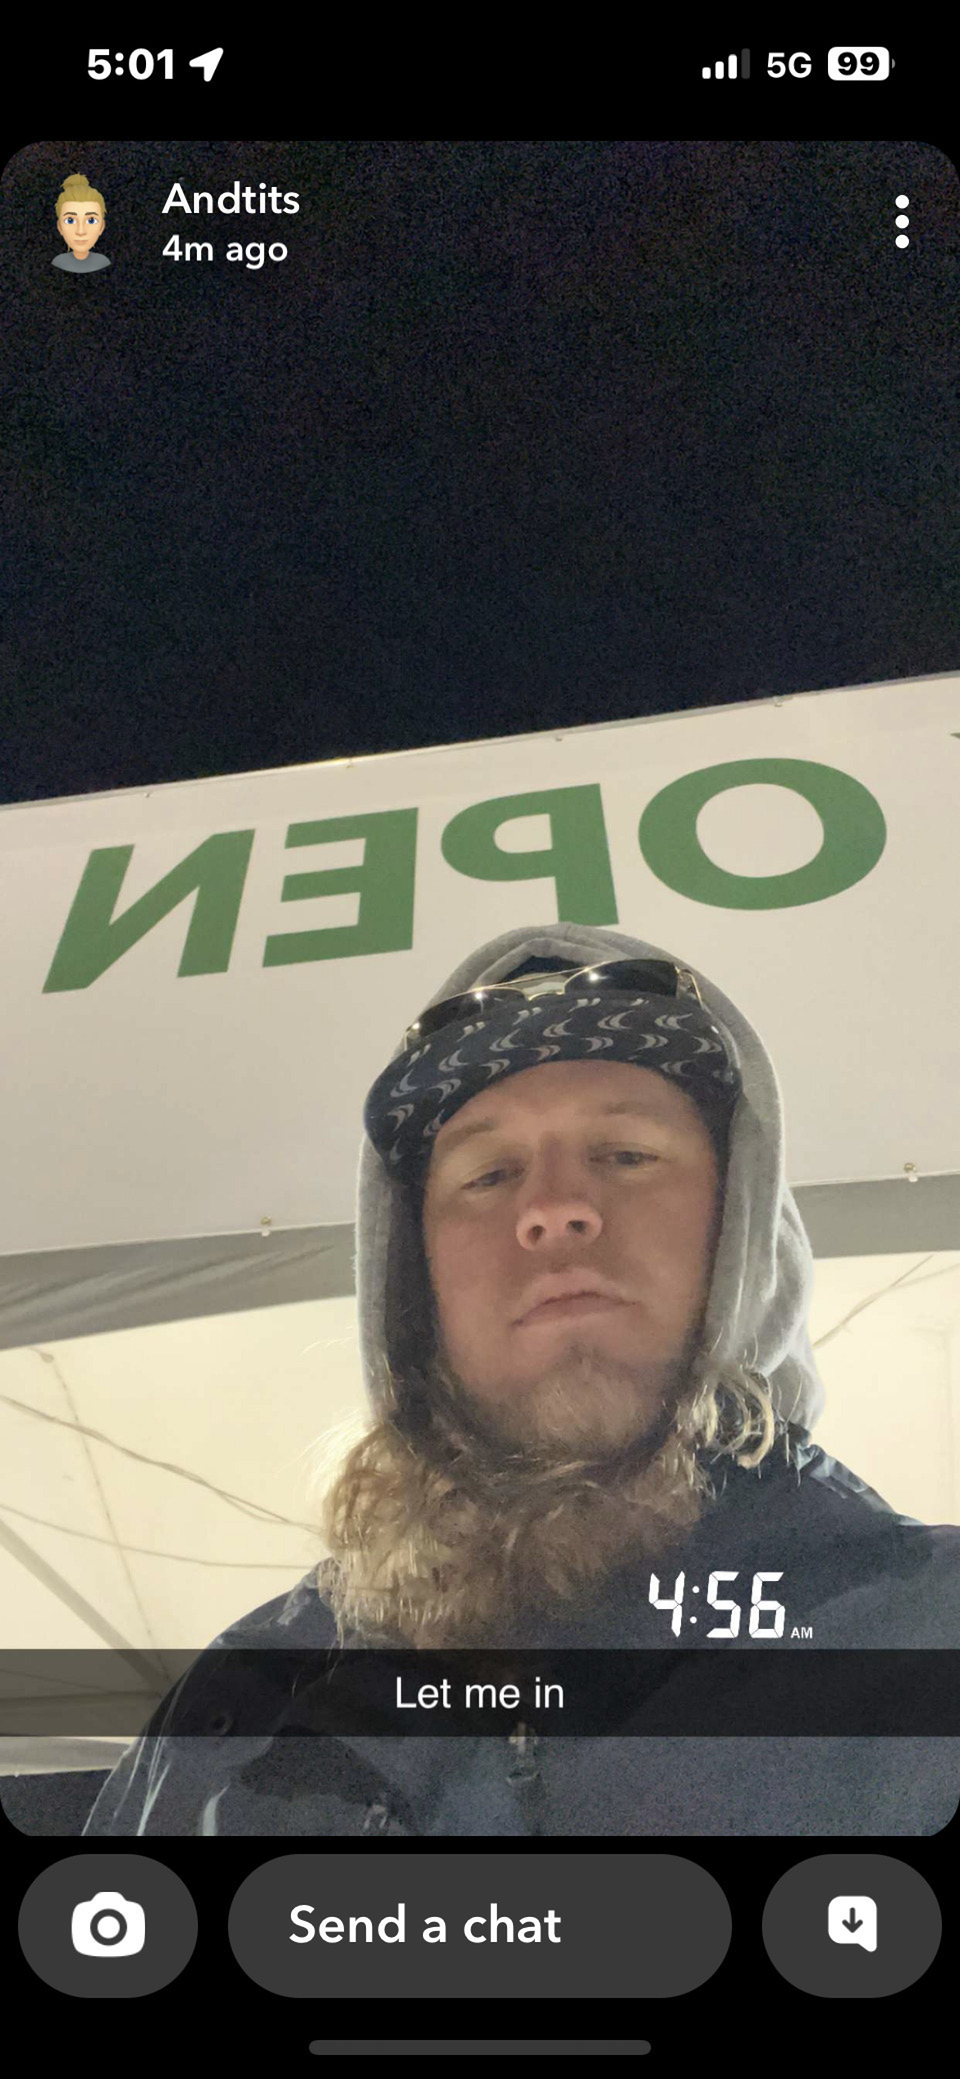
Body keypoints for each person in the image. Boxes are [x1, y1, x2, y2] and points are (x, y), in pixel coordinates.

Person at [81, 922, 960, 1836]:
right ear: (413, 1281)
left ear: (743, 1229)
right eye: (490, 1173)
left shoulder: (929, 1627)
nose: (553, 1207)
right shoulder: (242, 1707)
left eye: (626, 1154)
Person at [52, 174, 110, 272]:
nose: (80, 231)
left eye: (91, 220)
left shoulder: (104, 263)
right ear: (59, 227)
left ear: (102, 226)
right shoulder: (57, 263)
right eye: (70, 220)